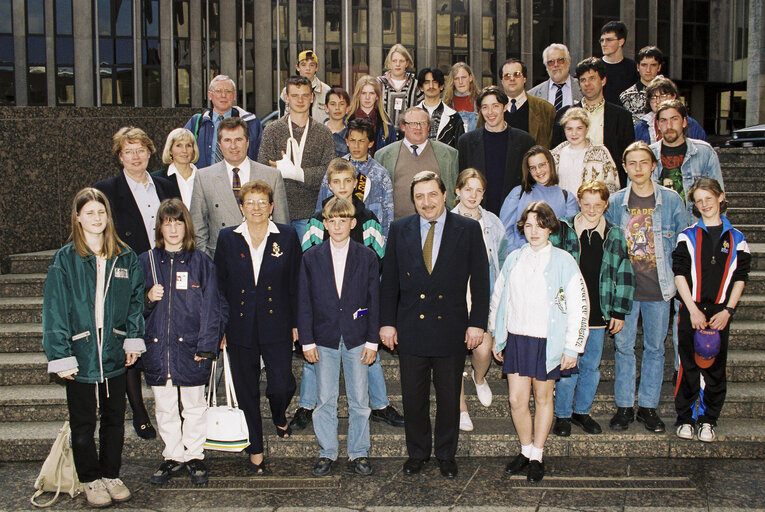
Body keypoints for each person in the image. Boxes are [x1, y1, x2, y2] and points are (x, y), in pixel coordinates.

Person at [380, 171, 490, 479]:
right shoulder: (399, 229)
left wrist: (477, 323)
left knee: (448, 395)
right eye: (419, 196)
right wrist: (387, 323)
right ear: (412, 200)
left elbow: (481, 282)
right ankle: (417, 453)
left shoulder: (467, 229)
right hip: (411, 327)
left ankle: (445, 454)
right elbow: (389, 282)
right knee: (413, 399)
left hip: (452, 328)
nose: (426, 202)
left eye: (432, 195)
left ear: (444, 195)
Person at [42, 187, 145, 508]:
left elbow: (135, 302)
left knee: (115, 418)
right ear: (78, 217)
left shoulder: (125, 256)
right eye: (90, 213)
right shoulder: (65, 259)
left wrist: (133, 338)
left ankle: (111, 474)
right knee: (83, 422)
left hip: (115, 349)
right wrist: (61, 355)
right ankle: (89, 479)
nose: (97, 218)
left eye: (101, 212)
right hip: (81, 353)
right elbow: (55, 309)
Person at [294, 159, 400, 432]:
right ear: (329, 186)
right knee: (313, 357)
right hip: (325, 308)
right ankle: (306, 405)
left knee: (368, 352)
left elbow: (379, 261)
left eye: (347, 182)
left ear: (356, 184)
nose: (342, 188)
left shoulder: (368, 220)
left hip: (360, 305)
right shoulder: (319, 219)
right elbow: (308, 258)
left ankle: (380, 405)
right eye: (336, 182)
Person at [490, 201, 588, 483]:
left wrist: (572, 347)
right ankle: (524, 450)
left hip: (548, 342)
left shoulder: (563, 260)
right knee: (516, 399)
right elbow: (500, 298)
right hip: (519, 338)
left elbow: (580, 305)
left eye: (540, 225)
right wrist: (498, 335)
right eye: (529, 225)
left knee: (543, 398)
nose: (534, 231)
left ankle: (537, 455)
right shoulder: (514, 258)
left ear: (550, 228)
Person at [93, 126, 178, 441]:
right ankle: (139, 412)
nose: (136, 156)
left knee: (161, 334)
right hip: (127, 270)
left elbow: (180, 221)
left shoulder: (166, 185)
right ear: (120, 156)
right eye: (129, 151)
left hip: (164, 267)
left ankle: (169, 405)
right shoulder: (107, 189)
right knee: (132, 339)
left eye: (141, 150)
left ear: (150, 152)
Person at [214, 180, 301, 474]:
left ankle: (278, 412)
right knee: (246, 388)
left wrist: (297, 324)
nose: (256, 208)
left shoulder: (287, 236)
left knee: (282, 383)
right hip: (239, 326)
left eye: (262, 202)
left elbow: (295, 284)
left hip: (277, 322)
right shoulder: (228, 238)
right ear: (241, 207)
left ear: (272, 207)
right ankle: (256, 446)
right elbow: (220, 286)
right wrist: (220, 327)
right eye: (250, 202)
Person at [605, 141, 686, 433]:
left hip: (659, 288)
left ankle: (649, 407)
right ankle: (625, 406)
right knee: (624, 347)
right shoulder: (615, 203)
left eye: (644, 163)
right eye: (632, 164)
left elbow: (682, 245)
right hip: (626, 291)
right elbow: (610, 248)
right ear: (624, 168)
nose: (638, 169)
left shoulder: (672, 200)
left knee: (655, 348)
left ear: (654, 165)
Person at [140, 198, 222, 486]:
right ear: (159, 227)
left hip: (192, 348)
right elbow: (130, 308)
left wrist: (206, 346)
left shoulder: (201, 263)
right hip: (158, 347)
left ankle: (195, 454)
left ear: (186, 226)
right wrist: (147, 299)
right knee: (164, 406)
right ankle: (172, 454)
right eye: (167, 222)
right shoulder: (146, 262)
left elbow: (214, 309)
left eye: (178, 222)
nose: (173, 229)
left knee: (194, 405)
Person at [298, 197, 381, 477]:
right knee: (325, 399)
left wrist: (372, 341)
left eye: (342, 220)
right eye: (331, 221)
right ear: (324, 224)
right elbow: (304, 301)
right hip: (324, 337)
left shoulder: (367, 256)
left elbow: (374, 300)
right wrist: (306, 341)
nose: (337, 225)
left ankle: (358, 451)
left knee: (359, 399)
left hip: (358, 337)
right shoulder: (311, 257)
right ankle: (327, 452)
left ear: (352, 223)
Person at [550, 181, 635, 437]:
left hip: (598, 312)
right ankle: (562, 414)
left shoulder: (615, 233)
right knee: (567, 366)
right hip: (568, 313)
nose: (591, 209)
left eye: (598, 204)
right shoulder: (562, 230)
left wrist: (619, 311)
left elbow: (624, 273)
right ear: (578, 202)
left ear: (606, 204)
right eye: (586, 204)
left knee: (591, 366)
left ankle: (582, 411)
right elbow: (550, 266)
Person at [673, 178, 750, 443]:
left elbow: (740, 277)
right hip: (692, 309)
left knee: (715, 368)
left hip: (719, 313)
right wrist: (692, 309)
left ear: (720, 197)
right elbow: (680, 274)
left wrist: (728, 310)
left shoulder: (737, 239)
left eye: (708, 198)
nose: (704, 204)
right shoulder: (688, 235)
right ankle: (685, 418)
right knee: (690, 365)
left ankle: (708, 420)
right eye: (698, 200)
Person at [451, 169, 508, 431]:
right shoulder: (444, 221)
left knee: (483, 349)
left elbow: (504, 260)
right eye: (468, 189)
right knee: (452, 355)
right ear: (457, 191)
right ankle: (461, 408)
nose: (473, 195)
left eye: (478, 190)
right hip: (452, 296)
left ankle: (479, 377)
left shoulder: (493, 222)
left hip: (482, 294)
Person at [190, 116, 290, 257]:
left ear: (247, 142)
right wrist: (208, 264)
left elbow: (282, 226)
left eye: (238, 140)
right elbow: (197, 229)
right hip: (221, 260)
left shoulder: (272, 176)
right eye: (227, 140)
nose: (233, 146)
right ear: (219, 144)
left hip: (263, 257)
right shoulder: (203, 178)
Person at [258, 75, 336, 239]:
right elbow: (263, 171)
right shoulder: (272, 131)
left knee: (308, 262)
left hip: (311, 213)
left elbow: (329, 173)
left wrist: (297, 174)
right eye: (295, 95)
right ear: (286, 97)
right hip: (277, 212)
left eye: (305, 95)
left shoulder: (324, 133)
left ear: (312, 98)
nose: (300, 100)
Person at [552, 57, 635, 187]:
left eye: (592, 78)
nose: (587, 84)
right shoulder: (564, 114)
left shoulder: (621, 116)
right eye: (583, 80)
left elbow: (628, 157)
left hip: (606, 186)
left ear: (603, 80)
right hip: (570, 184)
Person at [457, 86, 535, 215]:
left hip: (514, 214)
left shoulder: (525, 141)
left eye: (495, 106)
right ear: (480, 110)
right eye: (485, 107)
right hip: (478, 214)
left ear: (504, 107)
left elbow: (530, 183)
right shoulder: (466, 142)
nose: (490, 112)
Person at [315, 118, 394, 238]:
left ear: (371, 143)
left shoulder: (380, 174)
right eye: (352, 140)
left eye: (361, 141)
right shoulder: (334, 169)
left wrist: (385, 239)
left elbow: (388, 214)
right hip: (336, 234)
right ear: (346, 141)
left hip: (368, 235)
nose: (356, 146)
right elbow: (321, 204)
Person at [375, 107, 459, 219]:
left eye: (423, 123)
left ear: (429, 127)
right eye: (413, 123)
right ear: (403, 126)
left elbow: (453, 197)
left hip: (436, 225)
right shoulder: (383, 156)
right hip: (398, 227)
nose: (418, 127)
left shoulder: (449, 154)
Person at [650, 99, 723, 224]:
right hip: (660, 230)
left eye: (674, 119)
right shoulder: (648, 155)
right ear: (658, 125)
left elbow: (718, 198)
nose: (669, 126)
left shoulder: (704, 152)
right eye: (664, 121)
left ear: (684, 122)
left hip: (695, 229)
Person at [498, 145, 578, 251]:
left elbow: (569, 237)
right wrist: (516, 255)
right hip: (521, 257)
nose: (538, 171)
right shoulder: (518, 193)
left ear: (550, 164)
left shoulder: (567, 198)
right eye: (533, 168)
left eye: (542, 165)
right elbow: (504, 231)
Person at [184, 74, 262, 167]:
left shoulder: (251, 122)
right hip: (205, 179)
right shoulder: (196, 122)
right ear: (210, 95)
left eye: (228, 91)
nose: (223, 95)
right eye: (218, 91)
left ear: (234, 96)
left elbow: (261, 156)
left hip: (239, 178)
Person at [550, 107, 620, 194]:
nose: (574, 133)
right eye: (569, 129)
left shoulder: (601, 153)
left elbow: (612, 187)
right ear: (564, 130)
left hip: (592, 206)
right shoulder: (555, 155)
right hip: (562, 206)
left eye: (579, 128)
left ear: (586, 129)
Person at [500, 58, 556, 148]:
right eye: (507, 76)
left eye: (517, 74)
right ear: (502, 81)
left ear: (524, 79)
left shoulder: (545, 109)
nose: (512, 79)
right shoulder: (491, 110)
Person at [635, 77, 707, 144]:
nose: (657, 101)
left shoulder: (691, 125)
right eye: (653, 97)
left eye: (662, 96)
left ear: (673, 96)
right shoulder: (640, 128)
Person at [346, 75, 397, 156]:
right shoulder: (346, 121)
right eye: (363, 93)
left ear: (377, 96)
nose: (367, 97)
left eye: (371, 93)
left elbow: (392, 154)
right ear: (358, 95)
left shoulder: (386, 124)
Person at [416, 67, 464, 148]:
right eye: (427, 82)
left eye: (435, 82)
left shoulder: (454, 118)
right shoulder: (410, 116)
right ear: (421, 87)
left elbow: (459, 150)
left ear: (441, 86)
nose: (431, 86)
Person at [279, 49, 332, 122]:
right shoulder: (286, 91)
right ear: (297, 67)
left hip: (319, 132)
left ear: (316, 68)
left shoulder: (326, 91)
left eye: (312, 65)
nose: (308, 68)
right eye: (303, 64)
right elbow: (282, 116)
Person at [377, 44, 421, 130]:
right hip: (383, 136)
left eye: (401, 61)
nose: (398, 64)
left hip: (409, 137)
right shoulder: (379, 84)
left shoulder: (416, 86)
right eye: (394, 61)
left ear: (407, 63)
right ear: (390, 63)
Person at [152, 128, 199, 209]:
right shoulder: (156, 179)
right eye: (178, 145)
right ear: (170, 150)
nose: (184, 150)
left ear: (193, 150)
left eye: (188, 145)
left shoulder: (204, 178)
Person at [528, 43, 583, 111]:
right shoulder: (532, 95)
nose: (556, 65)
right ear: (546, 67)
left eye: (560, 60)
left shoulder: (583, 88)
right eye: (551, 62)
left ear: (568, 62)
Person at [619, 46, 664, 125]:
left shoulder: (667, 94)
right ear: (638, 67)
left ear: (659, 67)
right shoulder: (626, 97)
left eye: (653, 65)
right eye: (644, 65)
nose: (648, 70)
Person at [599, 21, 639, 106]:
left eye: (609, 40)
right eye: (602, 40)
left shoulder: (633, 68)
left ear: (621, 42)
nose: (604, 44)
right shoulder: (594, 67)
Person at [443, 62, 480, 132]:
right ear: (453, 81)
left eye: (464, 77)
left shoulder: (480, 100)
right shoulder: (446, 103)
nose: (460, 82)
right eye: (456, 78)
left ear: (470, 78)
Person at [324, 87, 351, 157]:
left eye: (341, 104)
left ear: (347, 108)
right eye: (333, 104)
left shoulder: (351, 136)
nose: (337, 108)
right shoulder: (317, 132)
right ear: (326, 108)